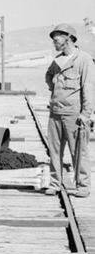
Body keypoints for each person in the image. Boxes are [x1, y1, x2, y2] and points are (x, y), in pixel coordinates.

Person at [44, 23, 92, 198]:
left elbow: (89, 88)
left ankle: (83, 186)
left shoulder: (84, 60)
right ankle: (55, 183)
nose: (54, 41)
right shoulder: (57, 60)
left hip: (74, 115)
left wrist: (86, 114)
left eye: (57, 37)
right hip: (55, 112)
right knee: (54, 151)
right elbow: (48, 76)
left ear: (69, 38)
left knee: (78, 151)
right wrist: (54, 88)